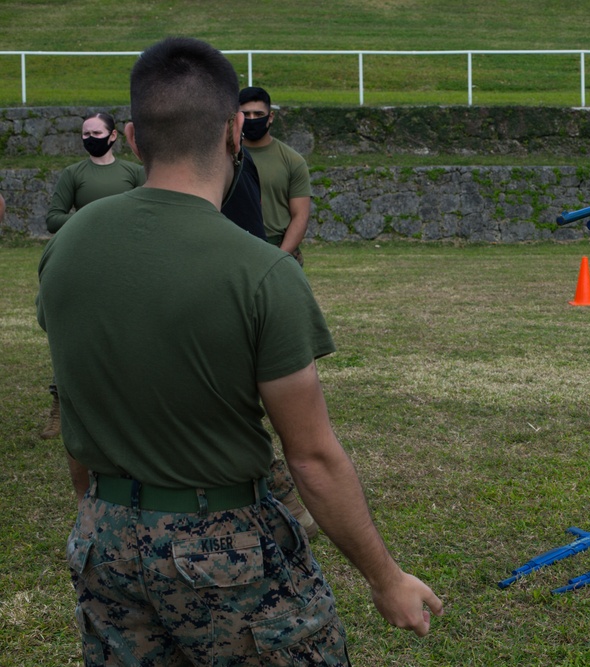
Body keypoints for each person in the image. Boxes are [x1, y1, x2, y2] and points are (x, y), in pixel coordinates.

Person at [37, 37, 442, 666]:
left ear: (134, 137)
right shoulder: (263, 273)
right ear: (234, 130)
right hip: (221, 549)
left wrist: (101, 518)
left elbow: (77, 400)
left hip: (102, 536)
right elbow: (311, 457)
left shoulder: (66, 248)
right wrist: (386, 580)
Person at [41, 112, 145, 440]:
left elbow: (149, 210)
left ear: (113, 136)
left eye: (96, 132)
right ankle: (61, 406)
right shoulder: (73, 174)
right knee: (75, 332)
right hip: (84, 262)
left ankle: (126, 407)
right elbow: (54, 218)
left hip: (127, 264)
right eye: (85, 133)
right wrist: (91, 220)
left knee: (127, 333)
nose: (90, 138)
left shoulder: (134, 173)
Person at [238, 85, 312, 265]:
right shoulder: (221, 158)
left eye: (258, 114)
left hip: (278, 249)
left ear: (270, 117)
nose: (252, 119)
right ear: (236, 118)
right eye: (246, 115)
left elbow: (300, 216)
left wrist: (279, 258)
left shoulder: (292, 161)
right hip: (235, 249)